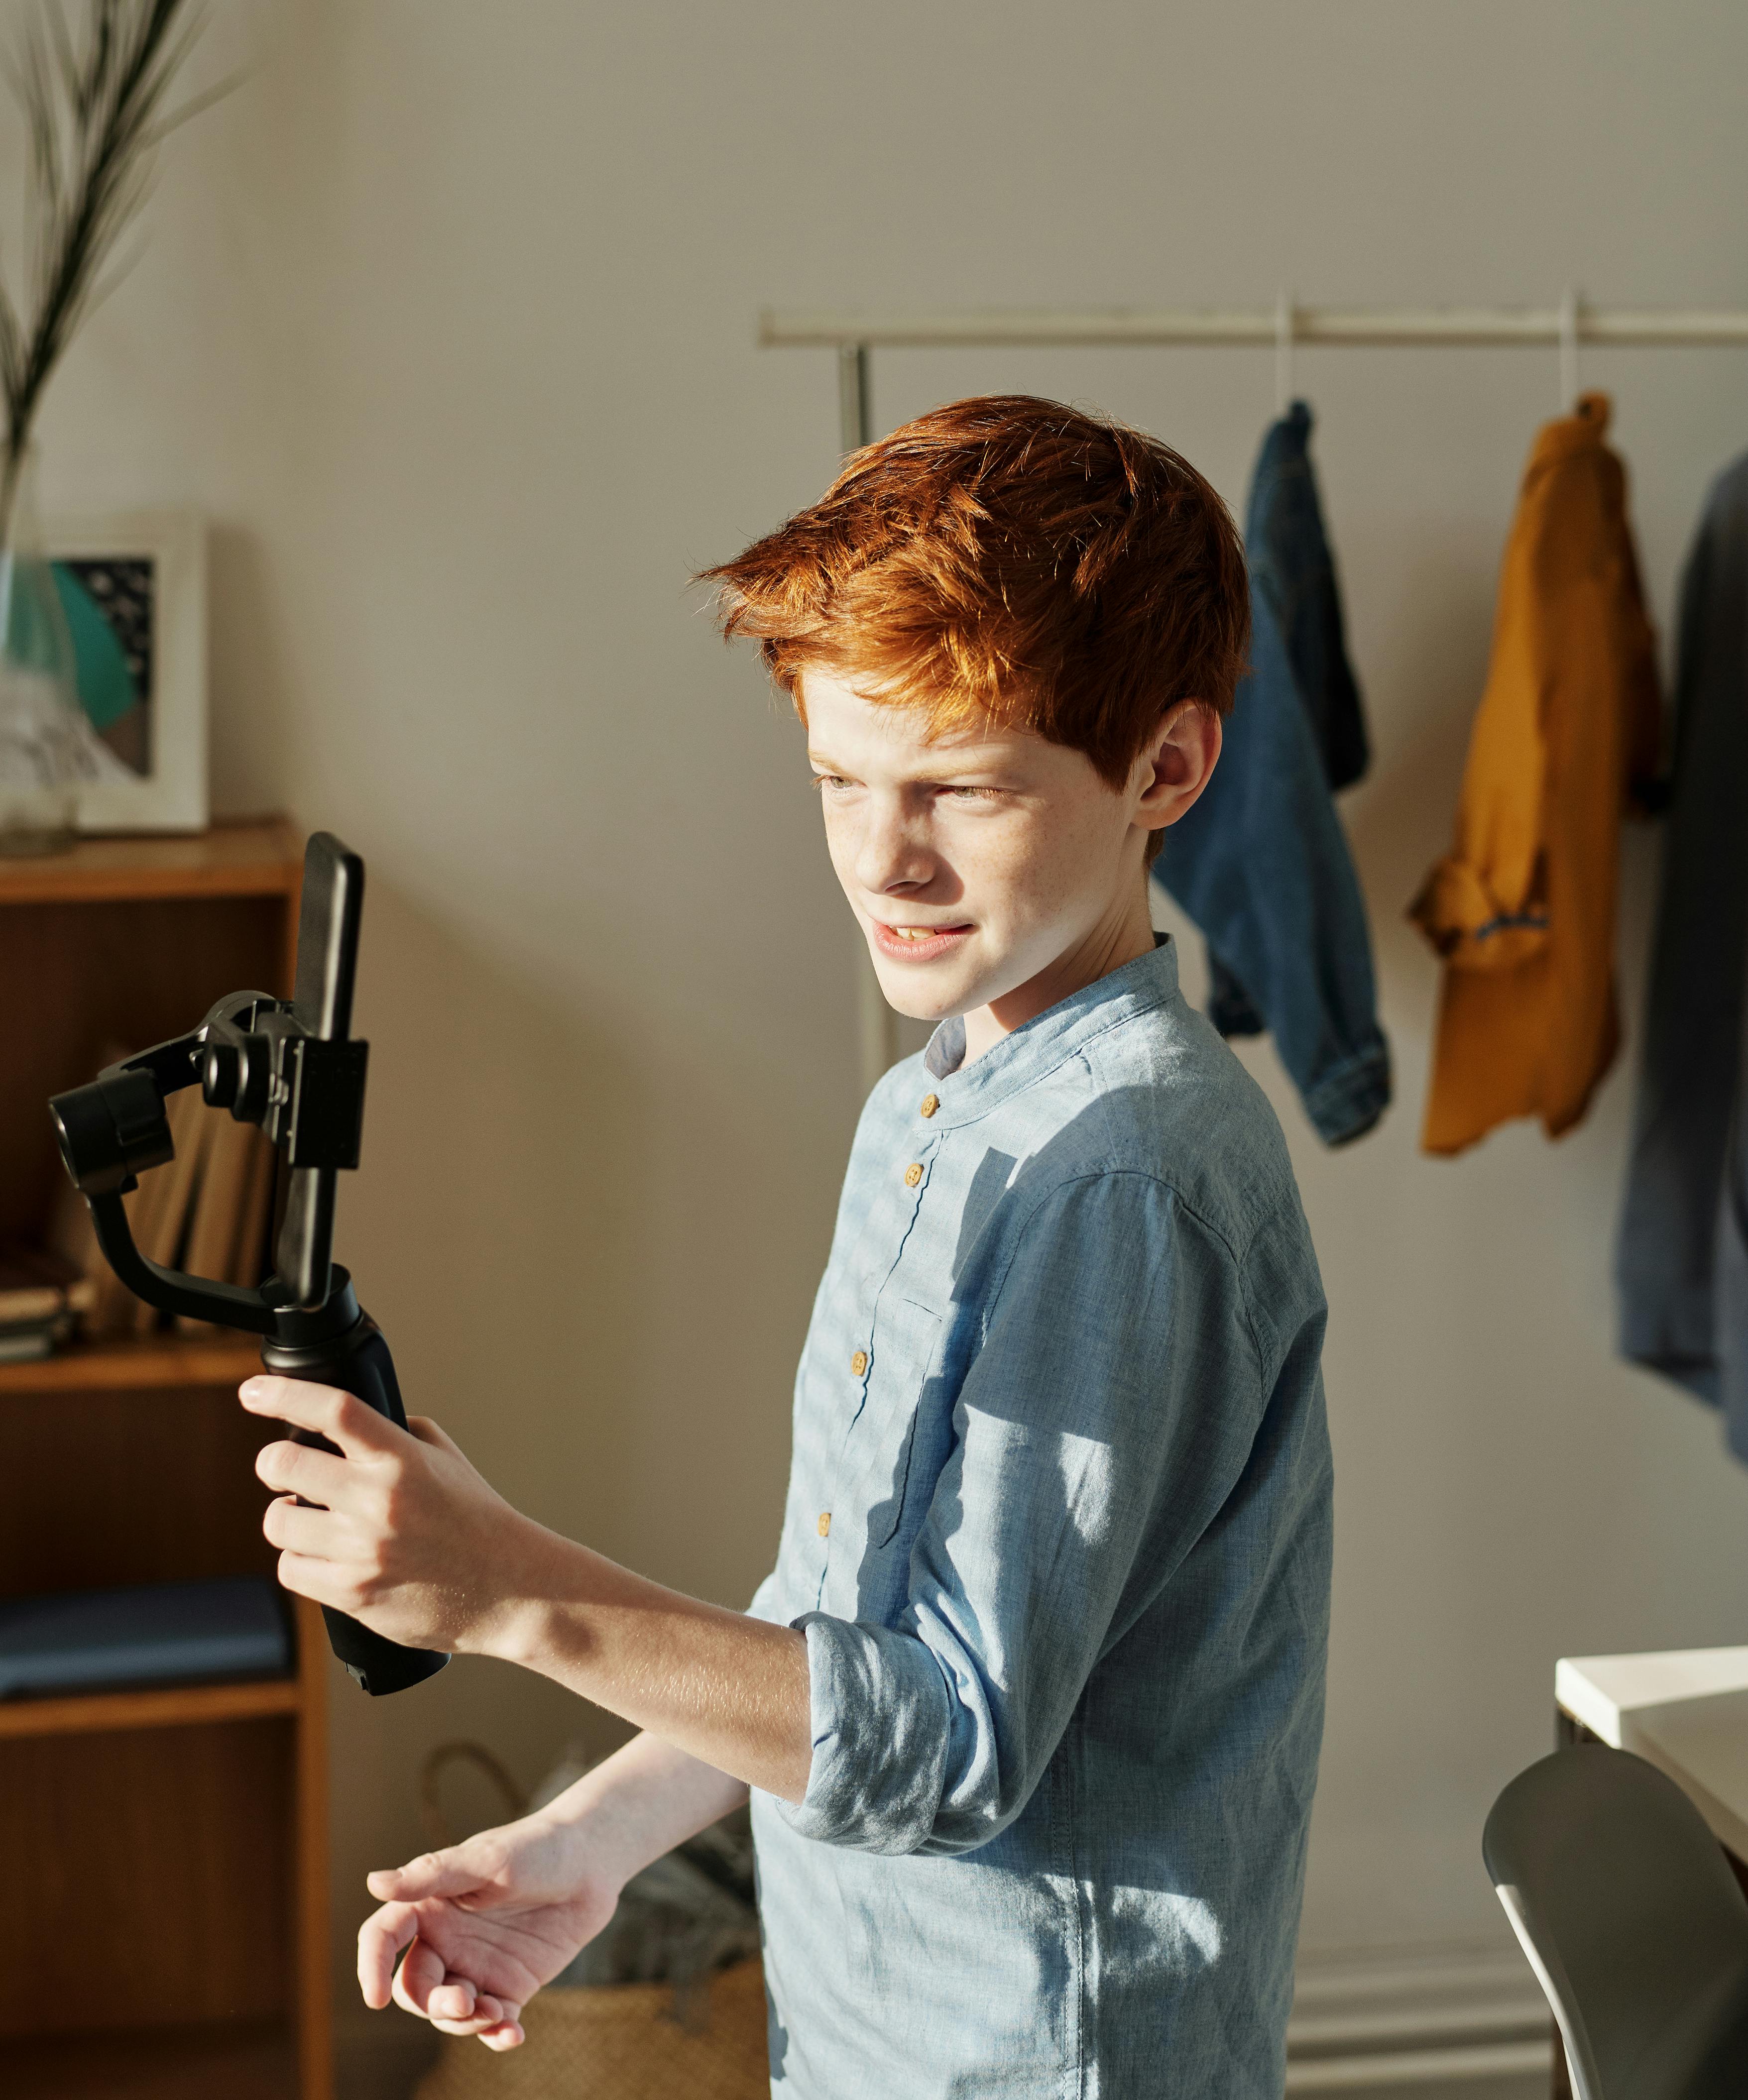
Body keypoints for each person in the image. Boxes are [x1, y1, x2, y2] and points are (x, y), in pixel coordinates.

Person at [239, 394, 1333, 2097]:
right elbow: (837, 1623)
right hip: (863, 2039)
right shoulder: (933, 1101)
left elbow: (950, 1740)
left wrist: (511, 1587)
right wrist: (595, 1840)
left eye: (962, 789)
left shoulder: (1127, 1178)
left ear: (1167, 768)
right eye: (840, 777)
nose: (884, 859)